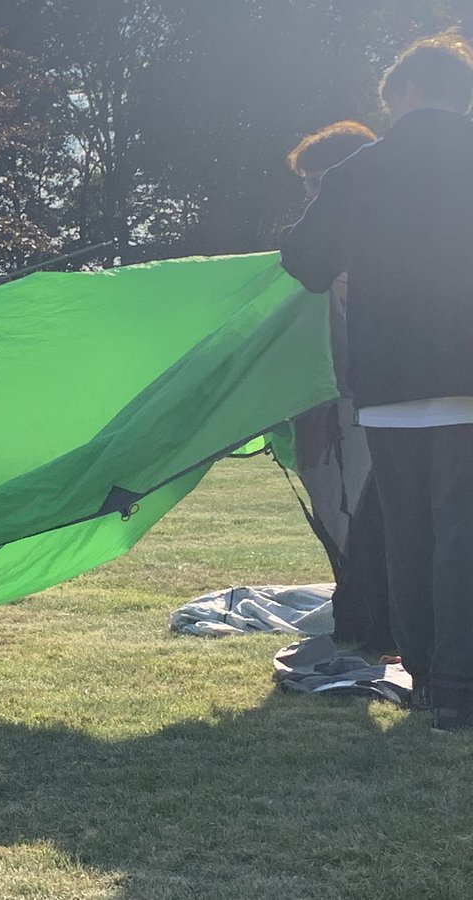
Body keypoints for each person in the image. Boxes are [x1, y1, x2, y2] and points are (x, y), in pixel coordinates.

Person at [281, 29, 473, 732]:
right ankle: (460, 690)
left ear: (409, 91)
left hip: (389, 382)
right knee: (462, 533)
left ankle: (426, 682)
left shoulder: (358, 170)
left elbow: (305, 261)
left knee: (409, 535)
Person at [283, 120, 395, 654]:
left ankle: (377, 616)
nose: (310, 196)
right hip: (317, 404)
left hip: (366, 401)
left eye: (316, 183)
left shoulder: (392, 243)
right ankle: (357, 606)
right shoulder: (315, 246)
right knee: (332, 507)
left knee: (369, 514)